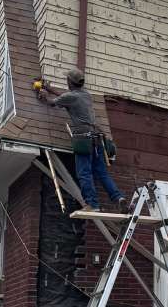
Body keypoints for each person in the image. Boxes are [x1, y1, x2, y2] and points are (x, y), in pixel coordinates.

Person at [36, 69, 125, 211]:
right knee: (102, 173)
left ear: (69, 82)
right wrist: (50, 89)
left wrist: (44, 95)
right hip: (97, 138)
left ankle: (92, 204)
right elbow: (68, 98)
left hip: (84, 139)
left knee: (84, 173)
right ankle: (118, 197)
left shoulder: (71, 97)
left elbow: (52, 103)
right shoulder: (86, 95)